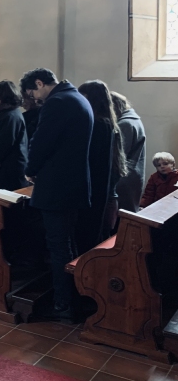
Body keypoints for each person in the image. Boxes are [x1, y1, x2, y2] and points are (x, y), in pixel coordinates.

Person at [21, 68, 93, 320]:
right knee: (67, 243)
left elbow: (42, 142)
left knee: (58, 246)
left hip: (57, 187)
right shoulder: (78, 98)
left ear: (40, 83)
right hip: (73, 185)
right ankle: (71, 298)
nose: (34, 98)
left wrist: (30, 170)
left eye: (32, 92)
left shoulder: (57, 102)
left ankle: (63, 304)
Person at [76, 81, 126, 254]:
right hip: (103, 191)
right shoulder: (109, 124)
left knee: (88, 238)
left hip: (95, 192)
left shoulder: (98, 124)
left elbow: (92, 160)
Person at [111, 92, 146, 214]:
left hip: (124, 179)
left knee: (122, 217)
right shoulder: (134, 119)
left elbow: (119, 154)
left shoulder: (125, 124)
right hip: (133, 175)